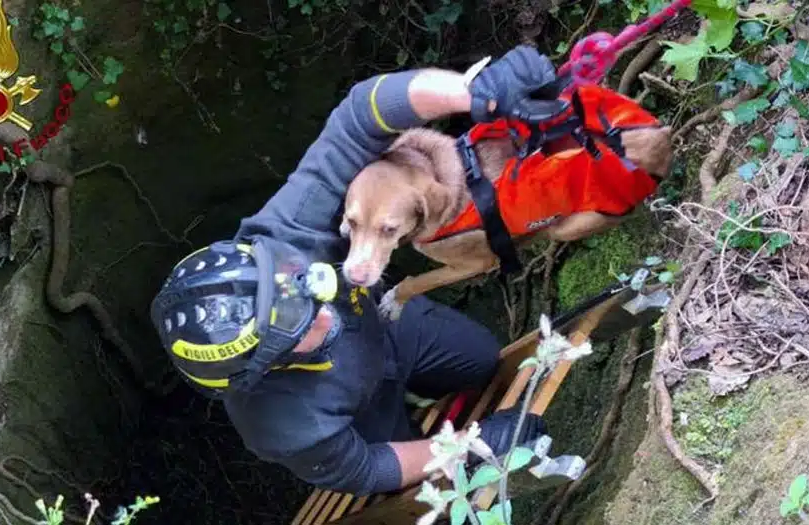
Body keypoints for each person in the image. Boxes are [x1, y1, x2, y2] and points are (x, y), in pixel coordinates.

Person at [149, 46, 568, 497]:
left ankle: (419, 378)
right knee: (416, 475)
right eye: (300, 325)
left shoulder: (284, 235)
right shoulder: (286, 424)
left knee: (483, 358)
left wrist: (474, 94)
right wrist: (470, 445)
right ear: (268, 367)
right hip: (362, 411)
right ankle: (411, 413)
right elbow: (368, 469)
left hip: (386, 332)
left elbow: (359, 117)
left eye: (301, 288)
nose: (323, 312)